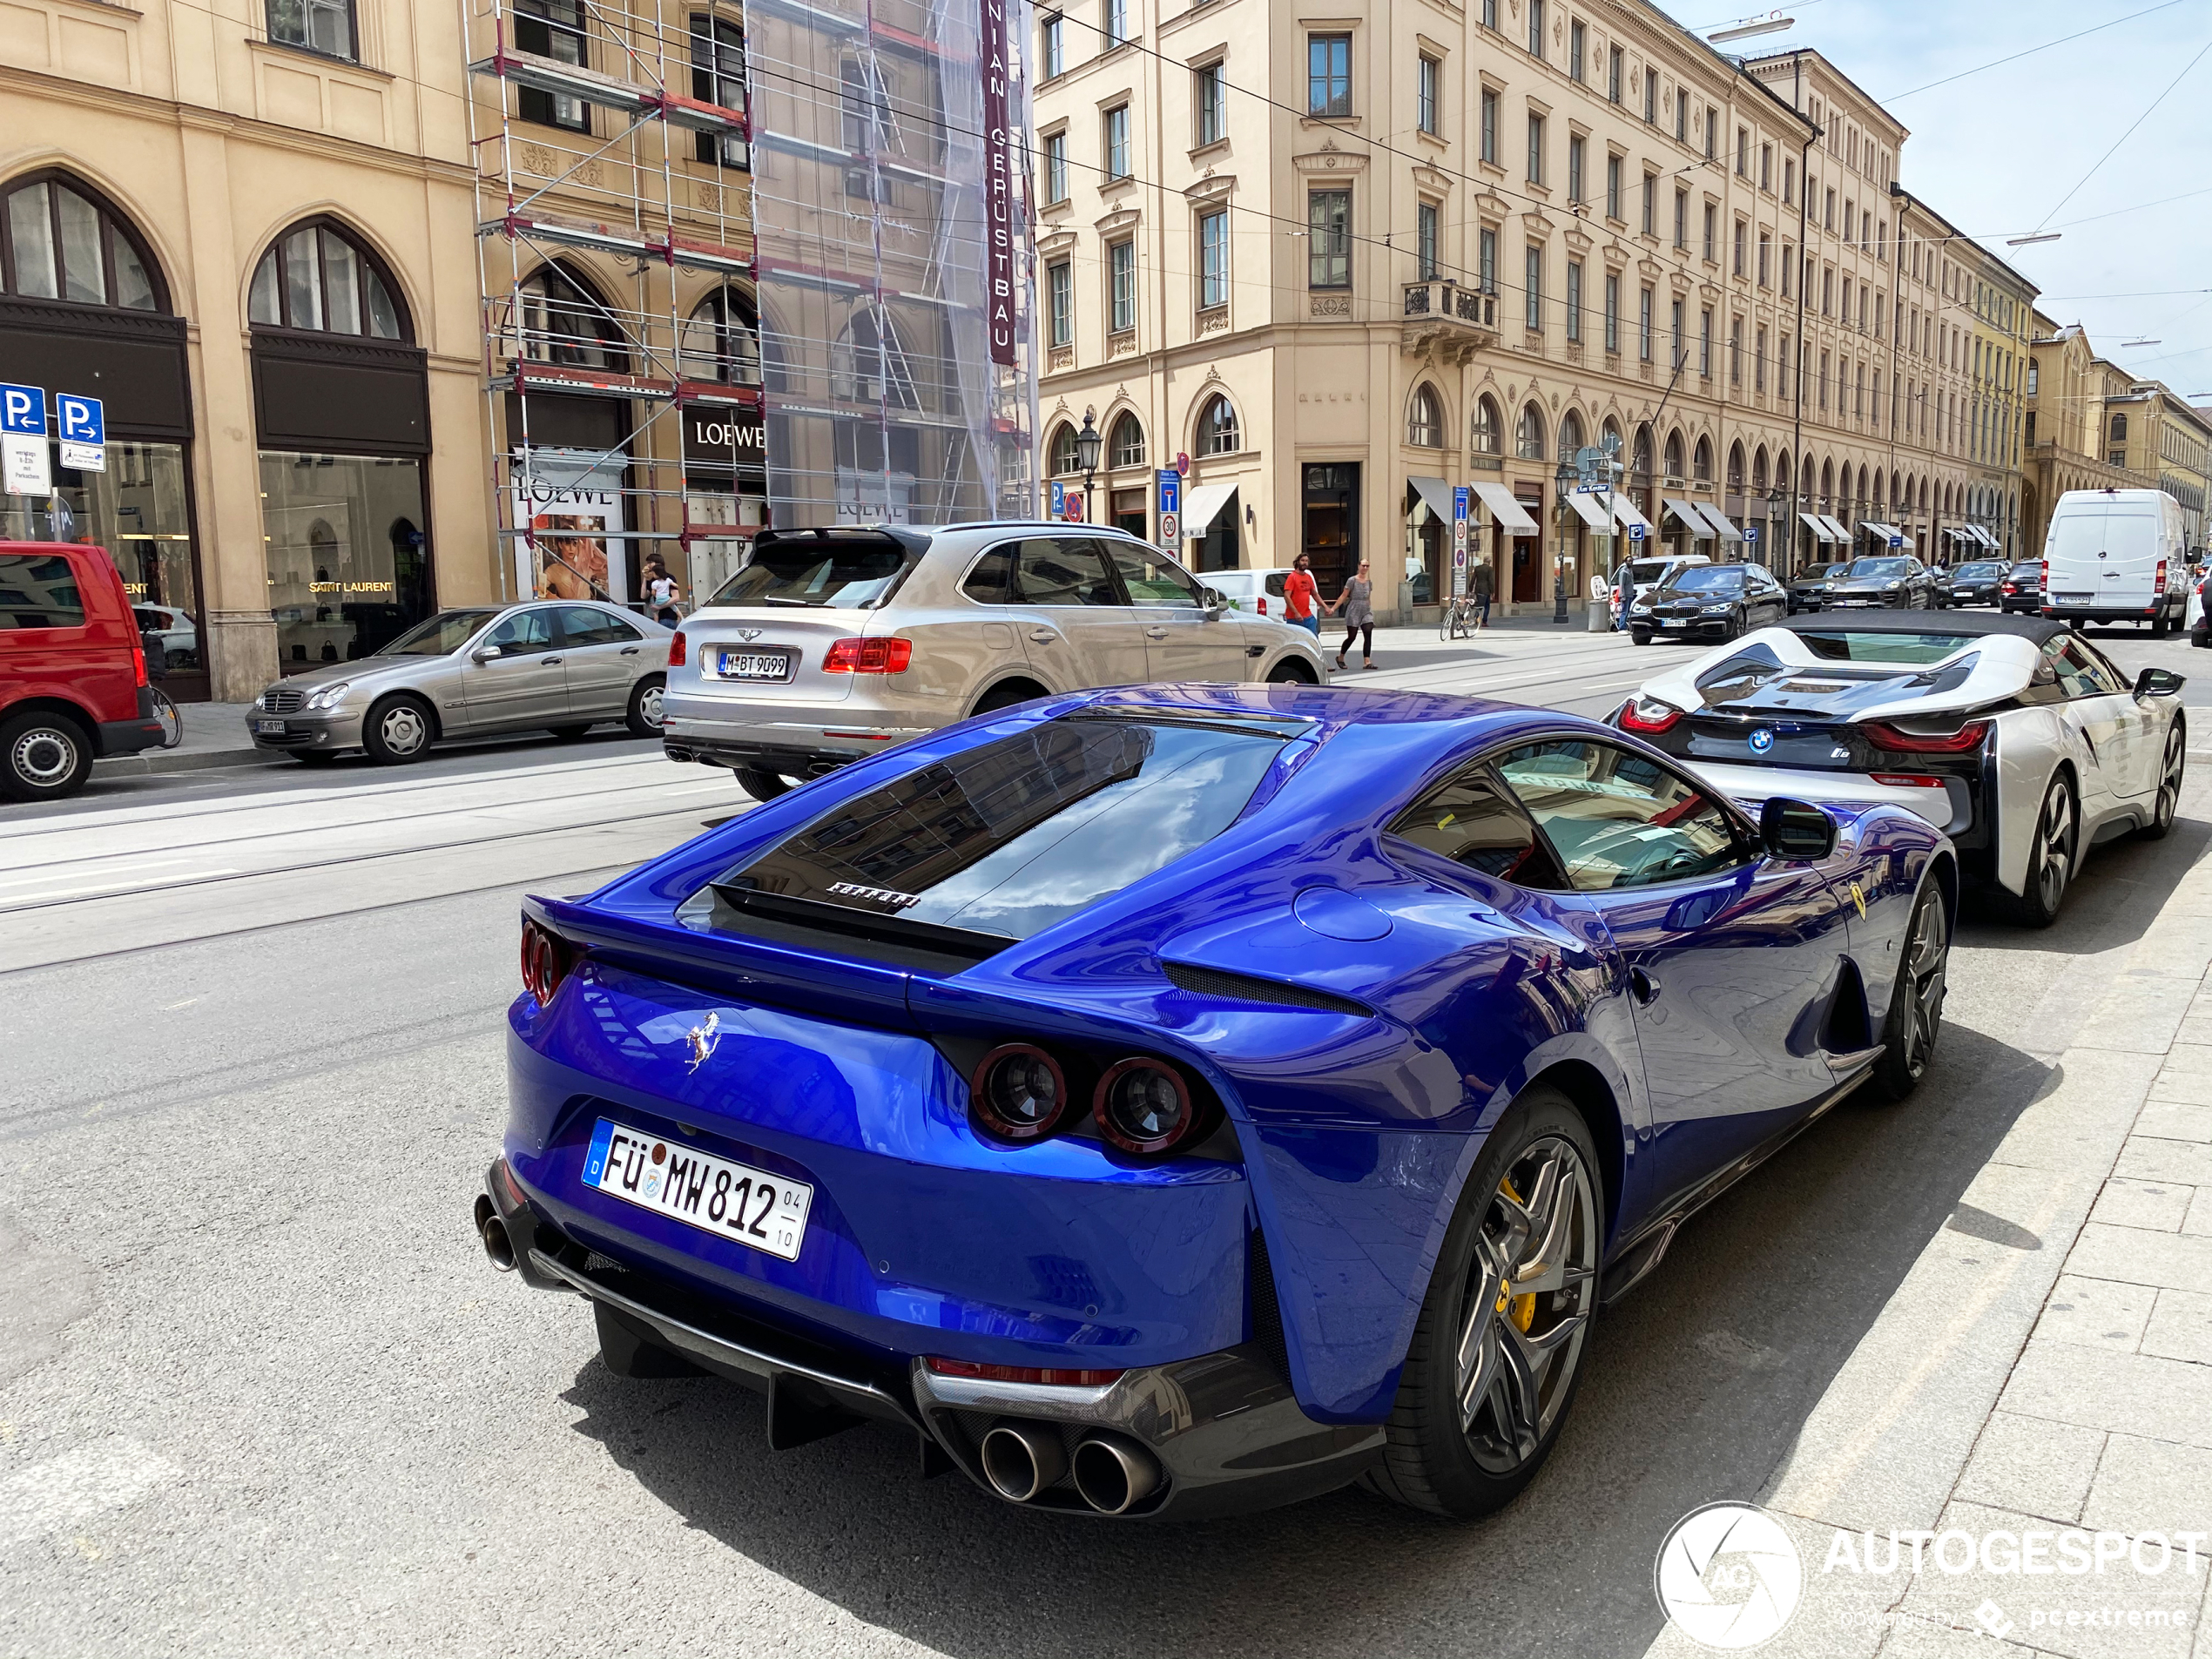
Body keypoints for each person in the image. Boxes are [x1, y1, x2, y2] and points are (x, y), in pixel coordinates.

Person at [1327, 560, 1376, 671]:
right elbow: (1344, 595)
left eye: (1367, 566)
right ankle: (1340, 657)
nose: (1365, 568)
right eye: (1363, 565)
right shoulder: (1352, 580)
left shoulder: (1369, 582)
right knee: (1352, 637)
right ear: (1359, 566)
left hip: (1366, 609)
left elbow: (1368, 597)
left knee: (1368, 631)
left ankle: (1367, 661)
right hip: (1354, 608)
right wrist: (1334, 608)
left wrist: (1370, 610)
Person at [1283, 553, 1320, 637]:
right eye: (1303, 560)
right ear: (1298, 562)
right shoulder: (1292, 577)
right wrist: (1296, 613)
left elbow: (1315, 594)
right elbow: (1287, 596)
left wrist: (1325, 606)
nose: (1305, 563)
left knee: (1313, 638)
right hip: (1294, 618)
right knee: (1296, 640)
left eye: (1306, 561)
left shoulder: (1308, 577)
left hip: (1307, 616)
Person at [644, 557, 683, 625]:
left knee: (655, 612)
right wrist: (645, 577)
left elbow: (676, 598)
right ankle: (681, 617)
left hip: (667, 615)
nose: (648, 565)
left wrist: (659, 605)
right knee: (675, 609)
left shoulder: (656, 582)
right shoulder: (667, 580)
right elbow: (643, 596)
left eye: (650, 562)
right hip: (666, 601)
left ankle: (656, 624)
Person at [1470, 556, 1494, 629]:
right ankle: (1484, 621)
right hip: (1486, 590)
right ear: (1489, 562)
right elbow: (1491, 581)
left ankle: (1476, 618)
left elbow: (1473, 579)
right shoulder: (1489, 569)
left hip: (1478, 589)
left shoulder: (1477, 568)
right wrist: (1492, 591)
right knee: (1487, 606)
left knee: (1479, 605)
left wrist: (1470, 588)